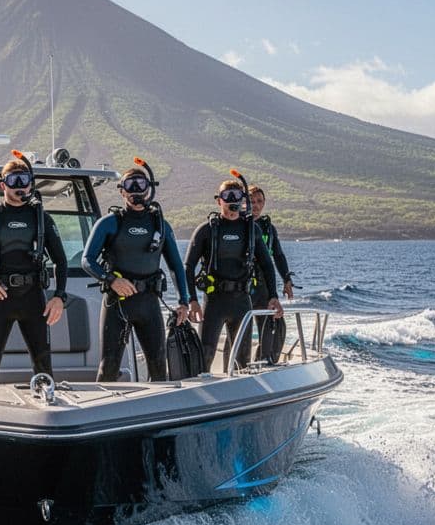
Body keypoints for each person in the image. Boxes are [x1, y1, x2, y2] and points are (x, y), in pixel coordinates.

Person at [81, 162, 193, 382]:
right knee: (109, 366)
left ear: (148, 189)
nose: (135, 191)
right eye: (129, 186)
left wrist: (184, 302)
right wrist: (111, 280)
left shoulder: (161, 226)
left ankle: (157, 414)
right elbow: (87, 260)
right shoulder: (109, 223)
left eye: (140, 184)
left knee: (159, 367)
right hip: (117, 303)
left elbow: (176, 266)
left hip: (149, 303)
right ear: (122, 191)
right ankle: (105, 414)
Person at [0, 159, 69, 382]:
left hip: (33, 297)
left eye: (24, 180)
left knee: (43, 362)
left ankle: (48, 408)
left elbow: (61, 260)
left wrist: (59, 297)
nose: (20, 186)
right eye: (13, 181)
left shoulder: (41, 218)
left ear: (31, 184)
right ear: (3, 185)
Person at [186, 180, 283, 371]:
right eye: (227, 196)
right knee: (205, 354)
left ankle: (238, 395)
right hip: (214, 302)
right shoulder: (206, 230)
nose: (232, 201)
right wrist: (192, 300)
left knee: (242, 359)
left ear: (243, 200)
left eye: (237, 196)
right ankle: (202, 394)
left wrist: (274, 296)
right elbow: (188, 266)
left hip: (241, 302)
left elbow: (266, 264)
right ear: (218, 201)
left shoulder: (251, 230)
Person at [248, 185, 295, 302]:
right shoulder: (238, 226)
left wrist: (286, 279)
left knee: (275, 319)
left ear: (264, 202)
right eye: (252, 201)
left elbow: (278, 255)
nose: (256, 205)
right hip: (243, 285)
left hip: (264, 283)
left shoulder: (268, 228)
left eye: (259, 201)